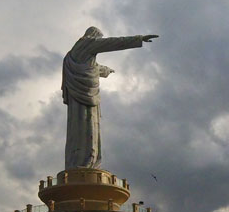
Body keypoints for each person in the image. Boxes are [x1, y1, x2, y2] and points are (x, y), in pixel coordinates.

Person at [62, 26, 158, 169]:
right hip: (87, 95)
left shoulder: (71, 55)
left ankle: (76, 161)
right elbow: (113, 43)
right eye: (99, 38)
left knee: (77, 128)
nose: (99, 40)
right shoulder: (89, 43)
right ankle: (87, 161)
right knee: (88, 126)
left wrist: (106, 70)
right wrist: (139, 39)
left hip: (75, 98)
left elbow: (91, 67)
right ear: (94, 36)